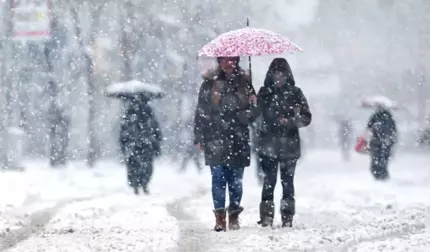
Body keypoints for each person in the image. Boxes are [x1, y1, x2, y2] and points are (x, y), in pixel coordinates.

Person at [194, 56, 257, 232]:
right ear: (219, 62)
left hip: (238, 139)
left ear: (236, 61)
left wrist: (253, 104)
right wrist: (199, 137)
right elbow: (201, 112)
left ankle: (234, 214)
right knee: (218, 179)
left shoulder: (245, 83)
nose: (228, 63)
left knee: (236, 181)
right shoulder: (209, 84)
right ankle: (220, 217)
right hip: (215, 138)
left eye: (232, 60)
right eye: (224, 60)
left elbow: (254, 115)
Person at [256, 58, 312, 228]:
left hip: (289, 146)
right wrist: (253, 102)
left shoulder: (296, 93)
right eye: (276, 75)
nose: (279, 78)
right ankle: (266, 217)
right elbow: (254, 115)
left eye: (282, 75)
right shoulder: (264, 93)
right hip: (268, 146)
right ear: (271, 76)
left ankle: (287, 217)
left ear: (287, 76)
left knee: (287, 183)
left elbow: (306, 118)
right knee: (269, 182)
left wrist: (290, 121)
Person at [120, 94, 162, 195]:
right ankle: (143, 183)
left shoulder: (129, 112)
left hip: (134, 144)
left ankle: (136, 184)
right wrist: (156, 142)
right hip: (145, 143)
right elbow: (155, 128)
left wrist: (124, 143)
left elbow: (124, 130)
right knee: (145, 165)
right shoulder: (148, 112)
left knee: (134, 165)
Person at [367, 105, 397, 180]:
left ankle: (378, 176)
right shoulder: (389, 118)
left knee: (376, 161)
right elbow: (394, 132)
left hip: (376, 143)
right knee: (383, 160)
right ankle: (383, 176)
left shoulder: (375, 117)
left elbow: (368, 127)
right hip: (386, 143)